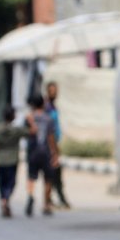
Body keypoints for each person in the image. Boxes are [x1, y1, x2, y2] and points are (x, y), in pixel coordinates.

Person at [0, 106, 34, 218]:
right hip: (12, 160)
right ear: (13, 116)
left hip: (0, 160)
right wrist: (30, 121)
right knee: (11, 183)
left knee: (1, 183)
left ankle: (3, 199)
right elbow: (32, 132)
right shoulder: (16, 130)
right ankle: (6, 199)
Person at [23, 93, 59, 217]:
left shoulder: (29, 118)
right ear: (43, 103)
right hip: (45, 152)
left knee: (31, 177)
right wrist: (55, 153)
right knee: (48, 178)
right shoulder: (48, 118)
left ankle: (30, 195)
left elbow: (24, 134)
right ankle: (46, 204)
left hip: (32, 152)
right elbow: (51, 137)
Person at [44, 81, 71, 209]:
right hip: (50, 145)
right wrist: (54, 149)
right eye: (52, 91)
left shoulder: (53, 107)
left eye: (55, 91)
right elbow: (48, 131)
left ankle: (51, 198)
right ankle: (55, 198)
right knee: (54, 172)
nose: (54, 93)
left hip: (54, 142)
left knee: (53, 172)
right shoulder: (47, 108)